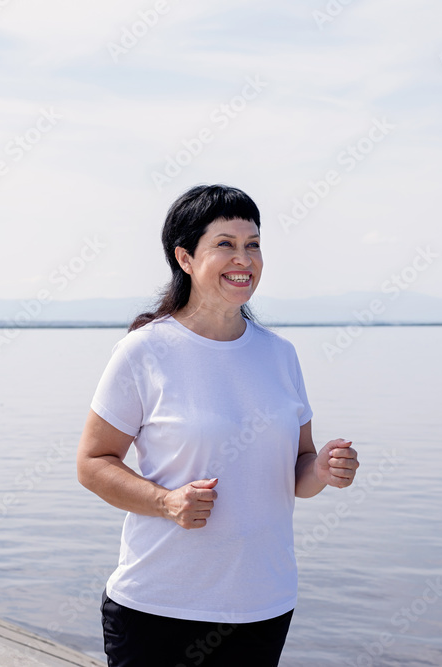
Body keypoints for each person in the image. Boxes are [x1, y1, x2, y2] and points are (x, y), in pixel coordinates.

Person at [76, 184, 359, 666]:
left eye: (253, 244)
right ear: (184, 258)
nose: (243, 258)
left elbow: (297, 471)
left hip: (262, 605)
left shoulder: (279, 354)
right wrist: (165, 502)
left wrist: (325, 470)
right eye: (224, 244)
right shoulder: (144, 351)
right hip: (158, 606)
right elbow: (92, 463)